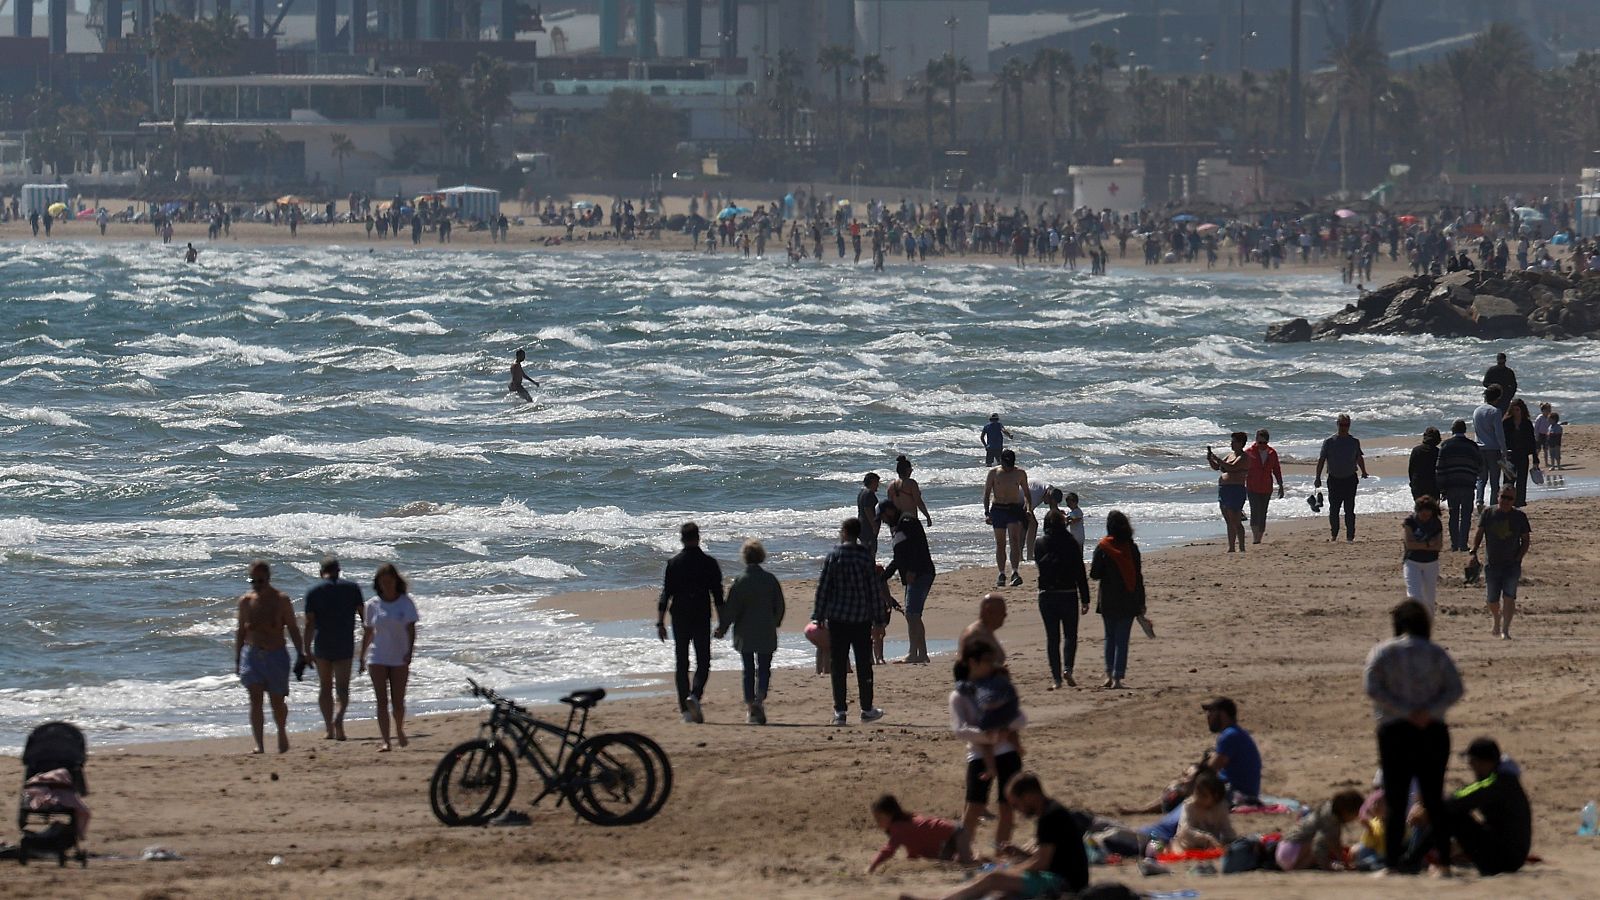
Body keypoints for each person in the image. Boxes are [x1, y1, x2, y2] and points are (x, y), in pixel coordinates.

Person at [1363, 600, 1463, 875]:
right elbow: (1455, 689)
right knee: (1433, 797)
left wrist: (1404, 711)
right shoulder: (1436, 653)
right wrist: (1427, 711)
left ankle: (1392, 863)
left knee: (1396, 797)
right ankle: (1443, 863)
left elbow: (1372, 688)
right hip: (1432, 730)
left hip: (1395, 731)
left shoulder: (1383, 652)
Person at [907, 773, 1089, 900]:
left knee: (994, 878)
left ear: (1029, 796)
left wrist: (1010, 870)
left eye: (1017, 805)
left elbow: (1043, 863)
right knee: (999, 891)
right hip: (1057, 876)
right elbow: (1052, 859)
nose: (1017, 810)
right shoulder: (1051, 812)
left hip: (1064, 883)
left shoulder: (1051, 816)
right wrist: (1019, 855)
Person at [949, 640, 1023, 857]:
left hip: (1007, 752)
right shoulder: (959, 695)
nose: (991, 666)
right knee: (974, 805)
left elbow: (1020, 718)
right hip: (979, 754)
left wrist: (1003, 728)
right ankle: (963, 852)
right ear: (973, 663)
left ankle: (1002, 850)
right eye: (987, 662)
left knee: (1007, 805)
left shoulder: (999, 687)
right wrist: (988, 734)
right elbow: (959, 730)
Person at [811, 517, 886, 725]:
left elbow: (823, 588)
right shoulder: (864, 557)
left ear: (844, 532)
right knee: (864, 665)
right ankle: (866, 708)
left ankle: (840, 712)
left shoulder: (833, 556)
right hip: (861, 618)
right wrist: (879, 619)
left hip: (837, 618)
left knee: (838, 665)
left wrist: (818, 615)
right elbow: (873, 590)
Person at [234, 561, 305, 755]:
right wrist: (237, 660)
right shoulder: (246, 602)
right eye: (253, 581)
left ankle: (282, 732)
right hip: (252, 654)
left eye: (260, 580)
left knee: (277, 701)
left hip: (276, 655)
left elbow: (292, 628)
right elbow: (240, 632)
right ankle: (259, 744)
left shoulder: (281, 600)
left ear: (268, 579)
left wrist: (301, 653)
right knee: (255, 698)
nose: (256, 584)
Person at [657, 522, 725, 723]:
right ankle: (694, 695)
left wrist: (660, 623)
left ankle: (685, 711)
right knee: (703, 660)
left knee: (681, 661)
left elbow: (665, 595)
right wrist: (723, 623)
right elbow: (718, 596)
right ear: (699, 537)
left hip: (680, 616)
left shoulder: (674, 563)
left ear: (681, 538)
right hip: (701, 615)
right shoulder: (709, 563)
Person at [1441, 737, 1531, 876]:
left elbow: (1459, 799)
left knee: (1449, 814)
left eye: (1472, 761)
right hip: (1511, 855)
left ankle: (1414, 859)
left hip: (1503, 859)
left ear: (1485, 763)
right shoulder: (1504, 779)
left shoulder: (1494, 783)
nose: (1470, 766)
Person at [716, 539, 784, 725]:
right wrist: (775, 622)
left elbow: (731, 608)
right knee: (764, 668)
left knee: (748, 669)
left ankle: (750, 704)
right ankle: (759, 699)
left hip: (745, 632)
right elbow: (779, 605)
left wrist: (723, 627)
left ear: (744, 557)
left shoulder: (740, 581)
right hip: (766, 630)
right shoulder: (770, 579)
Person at [303, 557, 364, 741]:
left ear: (321, 572)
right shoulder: (352, 588)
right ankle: (339, 721)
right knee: (343, 688)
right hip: (344, 643)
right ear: (339, 570)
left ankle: (329, 729)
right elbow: (365, 618)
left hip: (322, 644)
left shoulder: (313, 592)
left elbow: (309, 624)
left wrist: (306, 650)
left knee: (325, 687)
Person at [359, 563, 418, 752]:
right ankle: (386, 740)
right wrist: (362, 656)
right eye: (383, 582)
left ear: (396, 581)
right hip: (377, 656)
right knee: (381, 700)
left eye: (390, 581)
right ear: (378, 583)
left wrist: (410, 651)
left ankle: (399, 729)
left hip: (399, 656)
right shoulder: (372, 605)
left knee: (398, 701)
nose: (387, 585)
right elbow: (368, 633)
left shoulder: (405, 602)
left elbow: (411, 629)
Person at [1033, 509, 1090, 689]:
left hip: (1046, 594)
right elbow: (1080, 572)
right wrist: (1085, 598)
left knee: (1052, 638)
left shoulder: (1040, 543)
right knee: (1070, 635)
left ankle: (1056, 679)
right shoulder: (1071, 542)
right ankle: (1068, 669)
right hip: (1068, 593)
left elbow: (1039, 565)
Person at [1089, 510, 1146, 689]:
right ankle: (1118, 677)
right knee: (1122, 640)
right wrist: (1142, 602)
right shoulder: (1132, 548)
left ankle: (1108, 674)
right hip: (1129, 598)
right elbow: (1138, 576)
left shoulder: (1103, 547)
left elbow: (1094, 574)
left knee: (1110, 638)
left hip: (1108, 599)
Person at [1470, 486, 1531, 640]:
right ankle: (1497, 619)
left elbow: (1525, 540)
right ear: (1497, 497)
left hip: (1512, 564)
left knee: (1509, 597)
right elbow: (1479, 533)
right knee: (1492, 599)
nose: (1506, 501)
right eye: (1503, 497)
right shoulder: (1488, 513)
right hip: (1492, 563)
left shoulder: (1519, 516)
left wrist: (1519, 558)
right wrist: (1473, 551)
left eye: (1509, 498)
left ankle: (1505, 629)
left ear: (1514, 500)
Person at [881, 504, 935, 665]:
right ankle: (921, 653)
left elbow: (917, 548)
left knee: (912, 614)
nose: (883, 522)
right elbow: (899, 557)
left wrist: (912, 570)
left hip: (921, 573)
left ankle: (914, 653)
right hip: (916, 574)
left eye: (883, 517)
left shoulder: (907, 522)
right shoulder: (899, 525)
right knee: (913, 614)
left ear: (889, 511)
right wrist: (883, 577)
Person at [866, 795, 966, 873]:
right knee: (956, 862)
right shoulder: (907, 820)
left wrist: (872, 866)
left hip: (953, 835)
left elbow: (888, 850)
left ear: (890, 814)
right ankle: (976, 858)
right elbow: (915, 842)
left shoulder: (898, 827)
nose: (877, 822)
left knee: (965, 864)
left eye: (879, 818)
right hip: (954, 833)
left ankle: (976, 860)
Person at [1276, 790, 1365, 870]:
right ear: (1347, 811)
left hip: (1284, 849)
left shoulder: (1328, 808)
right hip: (1290, 852)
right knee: (1320, 844)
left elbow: (1335, 845)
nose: (1356, 818)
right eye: (1356, 814)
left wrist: (1344, 862)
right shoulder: (1330, 820)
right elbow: (1323, 846)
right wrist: (1328, 867)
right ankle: (1296, 869)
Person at [1313, 414, 1369, 542]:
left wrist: (1364, 471)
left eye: (1347, 425)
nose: (1344, 427)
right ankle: (1334, 535)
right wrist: (1317, 477)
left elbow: (1359, 457)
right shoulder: (1329, 442)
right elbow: (1321, 460)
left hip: (1350, 479)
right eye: (1342, 424)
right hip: (1334, 480)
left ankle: (1350, 536)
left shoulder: (1354, 442)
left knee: (1349, 509)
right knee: (1334, 509)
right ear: (1337, 424)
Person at [983, 449, 1033, 588]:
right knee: (1000, 543)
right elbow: (987, 494)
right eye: (1006, 465)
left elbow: (1027, 494)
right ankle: (1001, 573)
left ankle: (1015, 572)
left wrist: (1028, 509)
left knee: (1014, 540)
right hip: (998, 509)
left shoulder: (1020, 473)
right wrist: (987, 513)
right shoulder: (994, 473)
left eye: (1011, 465)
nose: (1008, 468)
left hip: (1013, 509)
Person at [1200, 697, 1262, 806]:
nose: (1208, 716)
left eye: (1211, 711)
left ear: (1223, 714)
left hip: (1238, 795)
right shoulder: (1236, 732)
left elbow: (1211, 769)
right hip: (1244, 791)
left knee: (1185, 788)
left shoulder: (1229, 735)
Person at [1435, 419, 1482, 552]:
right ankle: (1463, 544)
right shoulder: (1472, 446)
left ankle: (1454, 544)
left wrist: (1442, 487)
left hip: (1452, 485)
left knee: (1453, 515)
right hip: (1467, 484)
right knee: (1466, 515)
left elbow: (1440, 468)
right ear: (1464, 431)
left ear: (1453, 430)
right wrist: (1473, 476)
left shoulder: (1445, 446)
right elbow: (1480, 465)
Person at [1171, 770, 1237, 853]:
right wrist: (1206, 838)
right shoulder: (1189, 806)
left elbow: (1227, 830)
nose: (1198, 797)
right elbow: (1186, 830)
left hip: (1211, 846)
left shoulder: (1221, 807)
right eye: (1197, 793)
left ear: (1215, 797)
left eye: (1204, 795)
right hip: (1188, 845)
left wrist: (1232, 841)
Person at [1206, 432, 1250, 553]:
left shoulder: (1244, 457)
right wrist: (1211, 459)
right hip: (1224, 490)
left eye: (1234, 441)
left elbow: (1232, 467)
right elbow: (1218, 467)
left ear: (1241, 443)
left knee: (1235, 519)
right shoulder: (1230, 455)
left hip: (1236, 489)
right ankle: (1231, 546)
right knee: (1228, 520)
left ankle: (1241, 546)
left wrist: (1217, 459)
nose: (1231, 444)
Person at [1402, 496, 1445, 617]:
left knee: (1429, 600)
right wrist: (1427, 544)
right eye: (1422, 513)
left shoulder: (1436, 523)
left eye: (1428, 514)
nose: (1425, 516)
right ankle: (1414, 627)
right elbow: (1409, 544)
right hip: (1412, 562)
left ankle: (1427, 629)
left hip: (1431, 563)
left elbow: (1438, 546)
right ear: (1417, 511)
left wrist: (1420, 545)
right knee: (1414, 596)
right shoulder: (1410, 521)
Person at [1244, 429, 1284, 544]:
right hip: (1252, 487)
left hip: (1266, 487)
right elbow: (1243, 469)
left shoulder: (1272, 453)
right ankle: (1255, 538)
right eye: (1259, 442)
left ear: (1267, 442)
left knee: (1263, 512)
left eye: (1264, 443)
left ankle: (1259, 537)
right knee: (1254, 511)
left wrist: (1280, 485)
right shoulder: (1249, 453)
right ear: (1256, 440)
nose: (1261, 445)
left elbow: (1276, 469)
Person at [1474, 386, 1507, 507]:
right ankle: (1493, 504)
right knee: (1494, 480)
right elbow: (1499, 433)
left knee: (1481, 478)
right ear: (1497, 398)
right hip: (1493, 449)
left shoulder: (1477, 411)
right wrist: (1504, 449)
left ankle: (1479, 500)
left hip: (1479, 448)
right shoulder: (1495, 411)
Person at [1503, 399, 1538, 507]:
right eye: (1513, 410)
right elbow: (1502, 439)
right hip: (1509, 456)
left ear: (1522, 410)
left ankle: (1520, 502)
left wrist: (1535, 458)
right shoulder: (1506, 422)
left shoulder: (1526, 423)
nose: (1516, 412)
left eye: (1517, 410)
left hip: (1523, 455)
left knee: (1522, 480)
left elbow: (1532, 441)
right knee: (1508, 481)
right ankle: (1506, 501)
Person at [959, 593, 1008, 665]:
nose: (1005, 616)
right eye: (1002, 613)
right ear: (988, 612)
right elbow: (972, 669)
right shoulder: (977, 635)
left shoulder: (985, 631)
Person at [887, 454, 933, 527]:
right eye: (911, 470)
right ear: (907, 470)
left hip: (897, 521)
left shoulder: (891, 485)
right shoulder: (911, 483)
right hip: (910, 520)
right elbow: (919, 502)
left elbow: (889, 506)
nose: (911, 471)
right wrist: (927, 516)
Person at [1408, 427, 1441, 501]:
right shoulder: (1438, 452)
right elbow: (1440, 470)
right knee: (1432, 509)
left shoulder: (1416, 450)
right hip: (1433, 485)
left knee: (1420, 509)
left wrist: (1412, 483)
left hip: (1418, 484)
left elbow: (1411, 469)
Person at [857, 473, 882, 558]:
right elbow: (867, 510)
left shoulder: (862, 492)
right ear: (872, 482)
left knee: (865, 549)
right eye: (877, 482)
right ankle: (869, 569)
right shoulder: (869, 493)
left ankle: (865, 568)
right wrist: (874, 525)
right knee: (871, 551)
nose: (878, 485)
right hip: (867, 527)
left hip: (861, 525)